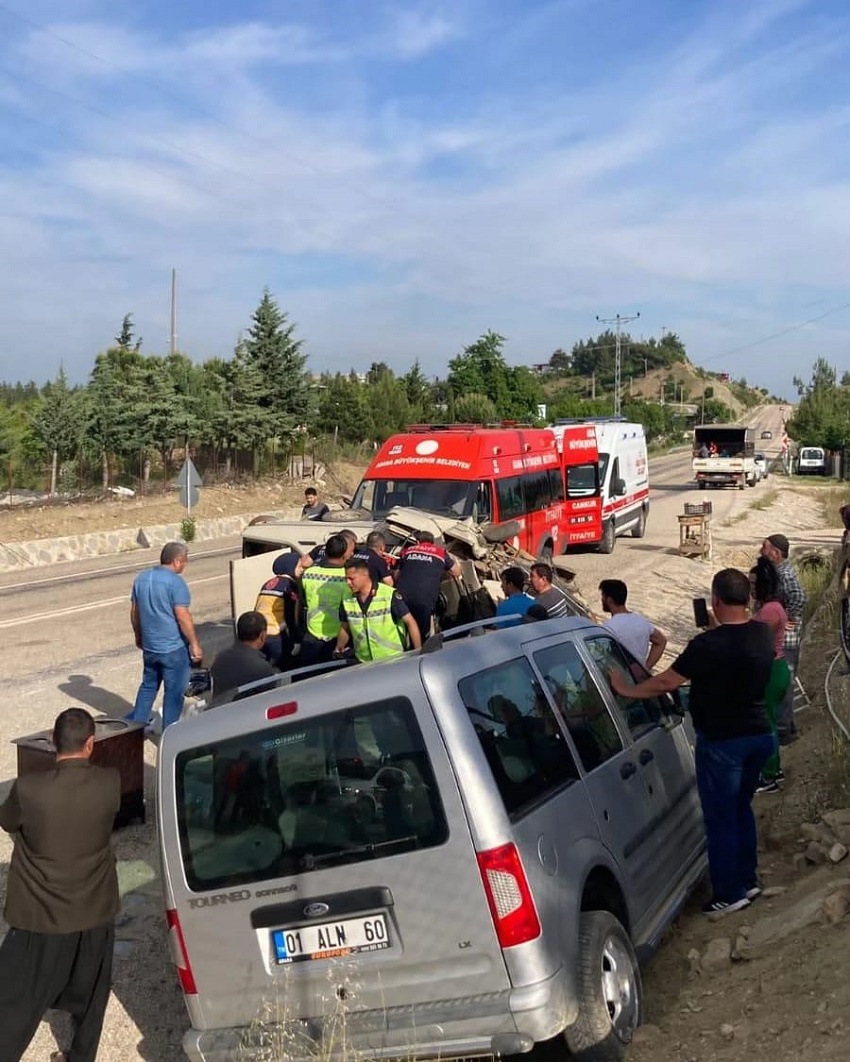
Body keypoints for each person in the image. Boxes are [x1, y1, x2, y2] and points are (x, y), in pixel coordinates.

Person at [610, 568, 774, 916]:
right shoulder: (761, 633)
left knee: (720, 818)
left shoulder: (706, 646)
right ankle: (748, 879)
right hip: (759, 736)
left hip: (723, 743)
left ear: (715, 600)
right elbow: (736, 647)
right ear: (747, 599)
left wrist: (626, 689)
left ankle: (729, 894)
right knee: (741, 808)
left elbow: (665, 682)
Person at [0, 708, 120, 1062]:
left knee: (14, 997)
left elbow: (8, 822)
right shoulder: (110, 781)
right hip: (96, 908)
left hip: (43, 913)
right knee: (93, 996)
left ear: (52, 741)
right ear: (91, 744)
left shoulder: (29, 789)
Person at [127, 541, 202, 730]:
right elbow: (183, 617)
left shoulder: (141, 578)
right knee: (174, 693)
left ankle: (136, 728)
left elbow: (135, 612)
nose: (185, 565)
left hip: (150, 647)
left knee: (148, 687)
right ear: (176, 561)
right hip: (173, 649)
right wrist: (194, 643)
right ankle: (170, 733)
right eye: (185, 561)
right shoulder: (176, 583)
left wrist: (139, 635)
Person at [749, 558, 791, 794]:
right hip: (775, 669)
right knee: (769, 722)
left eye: (754, 583)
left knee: (767, 725)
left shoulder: (769, 610)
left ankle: (768, 776)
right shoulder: (769, 608)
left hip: (771, 671)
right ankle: (774, 769)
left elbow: (756, 641)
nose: (751, 588)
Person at [761, 533, 806, 744]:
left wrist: (787, 618)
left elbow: (799, 597)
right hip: (783, 638)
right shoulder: (778, 572)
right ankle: (787, 725)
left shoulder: (784, 575)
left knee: (784, 685)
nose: (762, 551)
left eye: (765, 547)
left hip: (786, 639)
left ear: (776, 553)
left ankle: (784, 731)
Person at [335, 558, 421, 662]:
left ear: (365, 575)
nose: (348, 582)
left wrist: (418, 653)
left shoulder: (388, 595)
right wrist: (339, 647)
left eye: (351, 578)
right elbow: (345, 626)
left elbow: (410, 622)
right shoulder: (347, 599)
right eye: (346, 579)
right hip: (364, 661)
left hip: (393, 659)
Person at [393, 530, 463, 639]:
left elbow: (396, 575)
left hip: (401, 598)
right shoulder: (440, 553)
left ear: (417, 542)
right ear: (433, 542)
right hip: (424, 600)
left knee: (402, 631)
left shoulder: (407, 551)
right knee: (422, 636)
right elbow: (456, 572)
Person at [299, 533, 350, 666]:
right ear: (344, 554)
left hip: (311, 634)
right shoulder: (348, 578)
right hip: (337, 638)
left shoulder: (309, 573)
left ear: (326, 552)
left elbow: (302, 602)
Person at [210, 611, 278, 705]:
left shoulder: (220, 658)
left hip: (220, 714)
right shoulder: (262, 668)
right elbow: (268, 703)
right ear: (262, 636)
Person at [599, 578, 668, 670]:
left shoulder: (609, 628)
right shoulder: (641, 621)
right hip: (638, 679)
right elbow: (661, 641)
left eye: (603, 596)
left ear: (609, 600)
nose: (601, 600)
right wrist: (645, 668)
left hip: (620, 680)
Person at [257, 552, 302, 668]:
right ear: (290, 567)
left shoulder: (268, 583)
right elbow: (290, 615)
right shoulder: (289, 586)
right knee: (288, 666)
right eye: (299, 566)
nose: (302, 570)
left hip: (262, 633)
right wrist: (296, 640)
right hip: (278, 635)